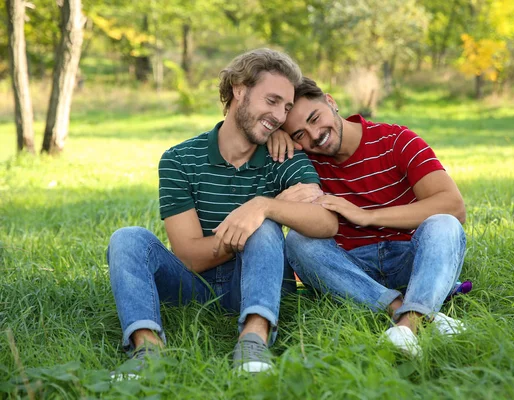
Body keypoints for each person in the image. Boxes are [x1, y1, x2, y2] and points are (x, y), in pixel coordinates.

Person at [107, 51, 338, 375]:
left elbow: (326, 222)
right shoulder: (179, 159)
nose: (278, 116)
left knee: (266, 225)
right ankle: (147, 349)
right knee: (128, 239)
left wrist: (265, 207)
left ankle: (253, 341)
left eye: (285, 108)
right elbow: (189, 256)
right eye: (271, 101)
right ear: (239, 89)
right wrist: (240, 227)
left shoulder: (286, 156)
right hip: (194, 286)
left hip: (260, 280)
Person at [268, 77, 467, 357]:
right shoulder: (305, 162)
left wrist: (367, 216)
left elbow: (454, 206)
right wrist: (270, 137)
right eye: (299, 134)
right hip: (352, 269)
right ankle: (411, 314)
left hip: (412, 258)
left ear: (330, 101)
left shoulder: (397, 139)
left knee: (444, 223)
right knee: (299, 242)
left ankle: (408, 327)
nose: (314, 135)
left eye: (315, 118)